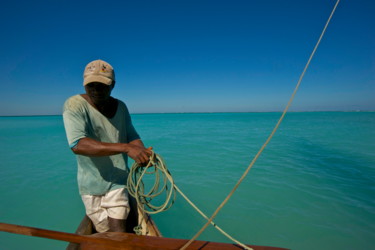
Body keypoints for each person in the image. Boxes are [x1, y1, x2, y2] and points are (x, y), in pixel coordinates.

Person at [62, 59, 152, 233]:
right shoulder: (74, 105)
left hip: (119, 180)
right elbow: (78, 144)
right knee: (104, 231)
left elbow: (131, 135)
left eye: (102, 85)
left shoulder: (121, 107)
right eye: (91, 85)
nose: (96, 90)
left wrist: (141, 151)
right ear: (84, 84)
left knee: (118, 229)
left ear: (113, 85)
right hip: (91, 185)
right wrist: (126, 148)